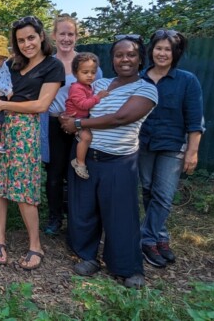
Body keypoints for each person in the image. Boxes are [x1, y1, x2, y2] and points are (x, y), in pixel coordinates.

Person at [59, 35, 158, 289]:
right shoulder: (100, 83)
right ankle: (87, 256)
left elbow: (120, 118)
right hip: (86, 157)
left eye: (131, 54)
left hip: (119, 160)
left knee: (121, 214)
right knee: (84, 210)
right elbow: (78, 104)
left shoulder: (146, 88)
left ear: (140, 59)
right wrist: (66, 117)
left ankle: (127, 267)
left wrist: (78, 123)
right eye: (119, 55)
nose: (125, 59)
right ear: (112, 59)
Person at [0, 16, 63, 269]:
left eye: (31, 38)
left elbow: (41, 105)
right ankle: (0, 240)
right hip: (0, 127)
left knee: (24, 188)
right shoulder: (11, 64)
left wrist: (2, 104)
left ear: (41, 36)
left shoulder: (53, 66)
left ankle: (35, 245)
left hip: (25, 131)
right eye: (21, 40)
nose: (27, 44)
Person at [139, 29, 204, 268]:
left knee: (164, 195)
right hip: (143, 144)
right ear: (151, 50)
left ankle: (146, 240)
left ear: (175, 53)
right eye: (159, 48)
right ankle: (160, 236)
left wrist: (192, 152)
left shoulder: (187, 80)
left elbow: (195, 120)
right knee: (148, 191)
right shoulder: (139, 78)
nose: (162, 53)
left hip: (173, 145)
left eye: (168, 49)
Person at [43, 15, 101, 236]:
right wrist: (60, 118)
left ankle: (79, 219)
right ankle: (55, 217)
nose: (66, 38)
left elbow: (97, 94)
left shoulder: (88, 64)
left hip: (82, 125)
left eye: (70, 34)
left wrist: (82, 122)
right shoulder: (48, 63)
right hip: (55, 124)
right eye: (62, 34)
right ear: (54, 36)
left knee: (79, 170)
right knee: (55, 173)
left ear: (76, 36)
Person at [66, 53, 109, 179]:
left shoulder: (87, 86)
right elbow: (83, 104)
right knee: (86, 137)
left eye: (93, 72)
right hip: (75, 119)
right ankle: (79, 163)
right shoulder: (77, 88)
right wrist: (98, 97)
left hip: (81, 119)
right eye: (85, 72)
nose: (90, 75)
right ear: (75, 73)